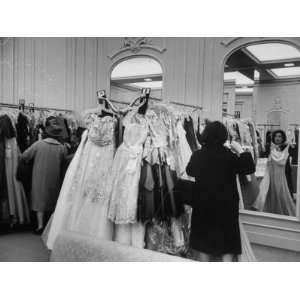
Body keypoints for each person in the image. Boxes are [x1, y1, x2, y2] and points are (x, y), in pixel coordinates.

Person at [186, 121, 255, 262]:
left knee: (203, 242)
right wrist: (241, 150)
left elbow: (190, 171)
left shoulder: (198, 155)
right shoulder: (229, 155)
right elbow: (248, 169)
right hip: (226, 205)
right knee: (227, 243)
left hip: (203, 203)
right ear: (223, 136)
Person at [20, 117, 67, 234]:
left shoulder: (38, 144)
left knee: (39, 200)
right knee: (52, 200)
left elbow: (24, 156)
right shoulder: (62, 148)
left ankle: (40, 226)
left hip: (39, 178)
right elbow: (64, 162)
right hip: (55, 179)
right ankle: (50, 226)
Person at [254, 130, 296, 215]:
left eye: (280, 136)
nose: (278, 138)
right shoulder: (270, 147)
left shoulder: (287, 147)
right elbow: (264, 157)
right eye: (276, 136)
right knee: (272, 193)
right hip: (271, 175)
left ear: (283, 137)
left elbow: (292, 156)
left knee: (282, 194)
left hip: (283, 175)